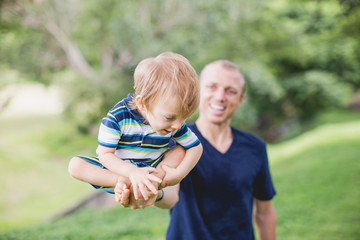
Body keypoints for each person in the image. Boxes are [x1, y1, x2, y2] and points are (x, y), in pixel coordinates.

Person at [119, 60, 277, 239]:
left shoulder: (255, 147)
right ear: (198, 92)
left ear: (241, 99)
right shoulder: (173, 139)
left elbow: (264, 212)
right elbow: (171, 194)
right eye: (212, 87)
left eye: (230, 91)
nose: (220, 96)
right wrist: (154, 193)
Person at [68, 52, 203, 201]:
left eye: (184, 118)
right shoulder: (117, 118)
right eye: (169, 117)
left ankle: (150, 183)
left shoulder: (174, 123)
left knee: (181, 150)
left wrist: (179, 174)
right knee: (75, 166)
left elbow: (196, 147)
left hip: (153, 170)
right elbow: (105, 155)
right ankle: (123, 183)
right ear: (142, 103)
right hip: (119, 170)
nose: (178, 125)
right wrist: (131, 172)